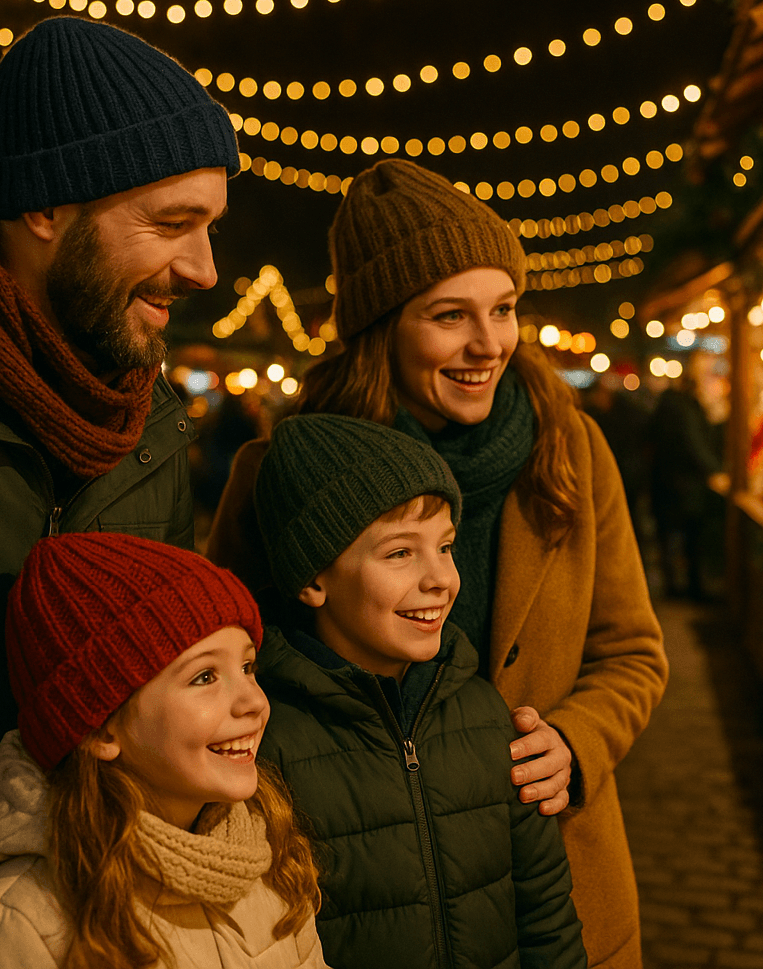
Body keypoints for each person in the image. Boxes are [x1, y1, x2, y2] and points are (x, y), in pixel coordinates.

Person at [208, 159, 668, 968]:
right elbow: (234, 674)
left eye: (503, 309)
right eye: (451, 315)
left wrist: (576, 739)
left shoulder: (569, 447)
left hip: (560, 880)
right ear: (384, 326)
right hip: (362, 887)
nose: (487, 344)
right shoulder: (284, 474)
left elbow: (633, 651)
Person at [0, 15, 238, 922]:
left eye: (212, 225)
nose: (206, 269)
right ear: (45, 208)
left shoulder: (146, 427)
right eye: (172, 223)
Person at [253, 412, 586, 969]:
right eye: (400, 553)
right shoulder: (267, 739)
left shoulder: (484, 713)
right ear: (313, 578)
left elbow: (545, 913)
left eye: (447, 547)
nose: (441, 578)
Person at [0, 533, 328, 968]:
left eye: (247, 666)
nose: (254, 702)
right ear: (100, 729)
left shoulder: (270, 865)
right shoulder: (12, 927)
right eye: (204, 677)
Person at [648, 364, 729, 600]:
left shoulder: (667, 405)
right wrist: (714, 470)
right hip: (684, 484)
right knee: (690, 536)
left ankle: (673, 584)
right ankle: (691, 587)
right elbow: (694, 442)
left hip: (665, 482)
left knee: (669, 536)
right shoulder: (684, 408)